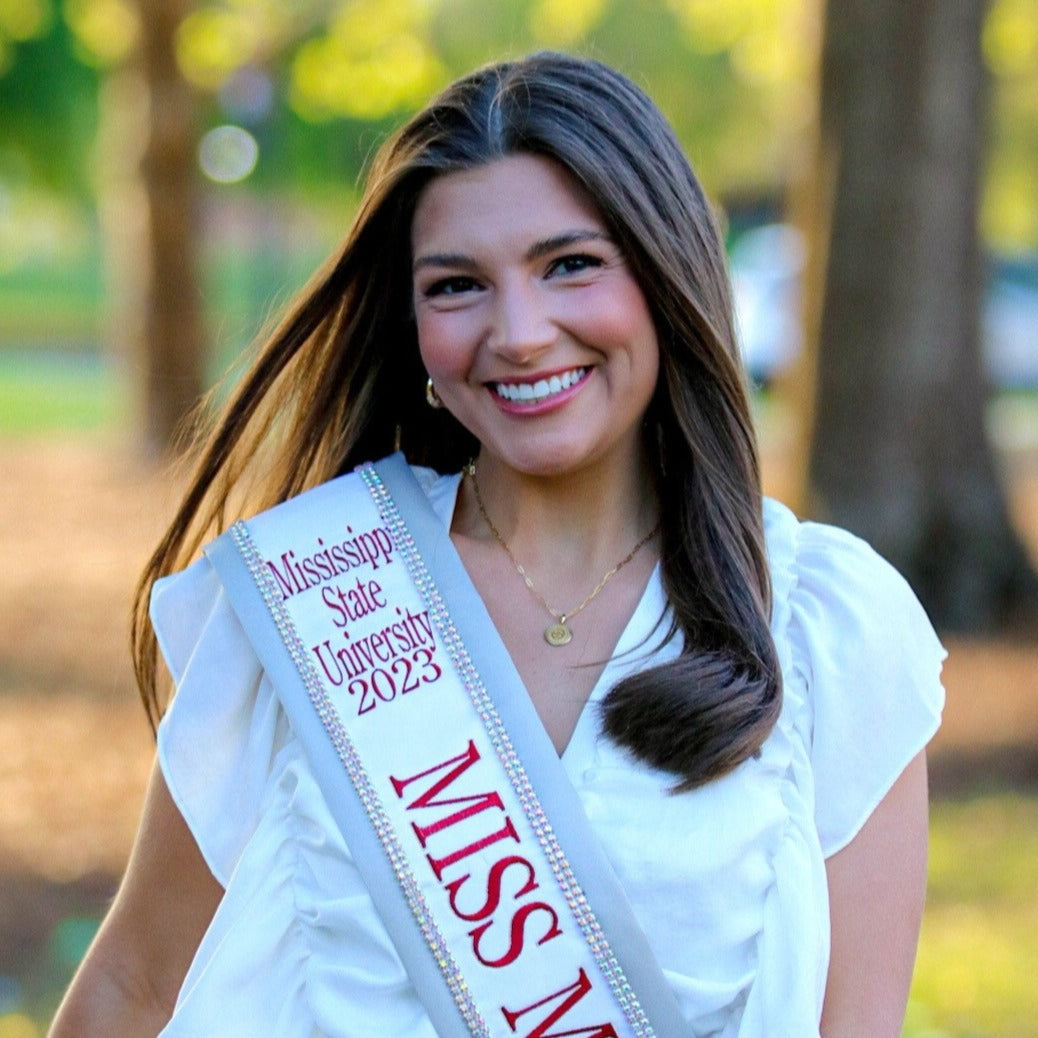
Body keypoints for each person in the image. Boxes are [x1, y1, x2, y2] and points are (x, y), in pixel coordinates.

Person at [50, 51, 944, 1037]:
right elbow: (133, 986)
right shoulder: (322, 590)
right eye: (457, 285)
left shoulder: (825, 626)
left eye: (570, 265)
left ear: (665, 272)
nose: (520, 333)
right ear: (416, 323)